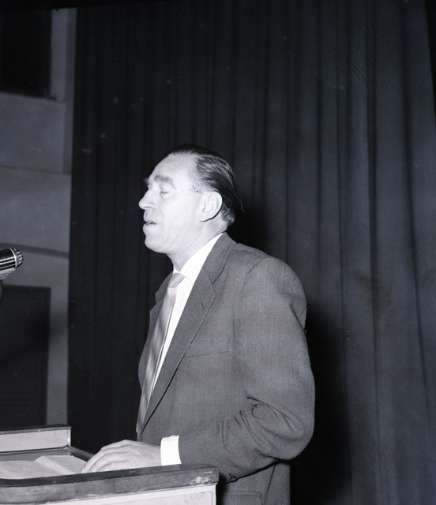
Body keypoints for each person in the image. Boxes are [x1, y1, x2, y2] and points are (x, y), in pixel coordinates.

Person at [83, 145, 315, 505]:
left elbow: (285, 421)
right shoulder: (168, 292)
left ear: (207, 206)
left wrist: (165, 455)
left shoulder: (257, 277)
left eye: (163, 190)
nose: (143, 202)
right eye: (147, 189)